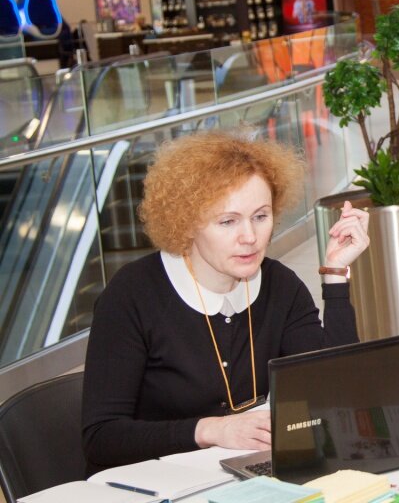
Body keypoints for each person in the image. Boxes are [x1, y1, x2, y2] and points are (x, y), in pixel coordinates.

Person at [82, 132, 369, 474]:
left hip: (241, 476)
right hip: (153, 482)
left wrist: (335, 273)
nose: (250, 237)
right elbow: (102, 437)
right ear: (187, 223)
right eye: (228, 221)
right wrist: (210, 430)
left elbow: (335, 392)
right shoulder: (132, 295)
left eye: (260, 216)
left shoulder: (280, 286)